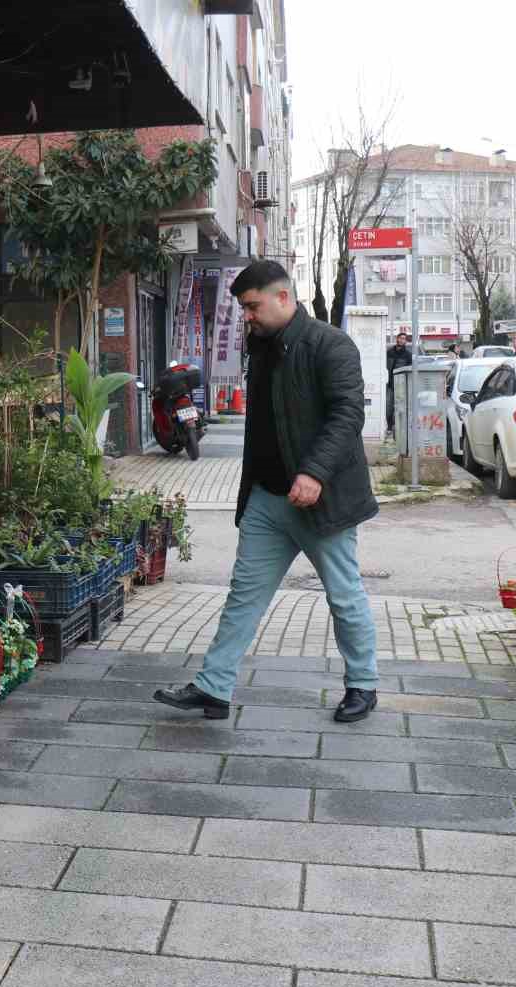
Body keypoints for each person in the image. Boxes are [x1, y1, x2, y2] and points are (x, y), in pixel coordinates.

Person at [155, 260, 381, 724]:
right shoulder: (259, 347)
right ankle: (214, 688)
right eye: (243, 309)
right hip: (267, 500)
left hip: (324, 500)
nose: (247, 316)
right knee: (244, 594)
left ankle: (363, 684)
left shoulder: (330, 345)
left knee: (343, 594)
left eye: (253, 306)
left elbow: (347, 416)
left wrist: (314, 473)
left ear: (283, 297)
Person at [384, 331, 412, 436]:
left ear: (406, 341)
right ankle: (390, 427)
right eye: (400, 338)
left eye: (404, 338)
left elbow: (410, 370)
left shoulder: (408, 355)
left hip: (402, 386)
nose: (402, 340)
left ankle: (398, 428)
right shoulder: (389, 352)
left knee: (400, 407)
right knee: (388, 408)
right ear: (397, 339)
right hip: (390, 385)